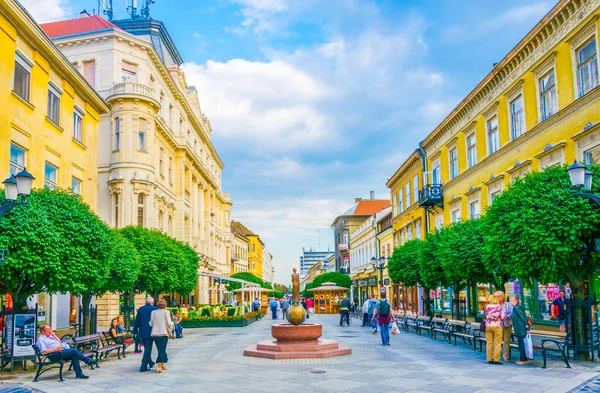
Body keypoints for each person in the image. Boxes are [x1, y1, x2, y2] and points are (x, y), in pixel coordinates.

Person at [133, 297, 157, 372]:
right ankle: (143, 365)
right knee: (148, 348)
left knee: (147, 348)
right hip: (151, 331)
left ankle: (150, 362)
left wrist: (135, 330)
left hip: (142, 332)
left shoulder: (140, 309)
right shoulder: (155, 309)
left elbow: (137, 321)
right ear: (152, 302)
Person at [150, 299, 172, 373]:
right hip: (163, 333)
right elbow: (169, 322)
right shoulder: (166, 312)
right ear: (165, 305)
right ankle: (159, 366)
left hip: (155, 333)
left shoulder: (153, 312)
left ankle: (163, 364)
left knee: (160, 349)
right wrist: (171, 328)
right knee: (162, 349)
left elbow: (151, 323)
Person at [484, 294, 505, 364]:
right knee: (497, 343)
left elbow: (485, 315)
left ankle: (489, 359)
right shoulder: (498, 307)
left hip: (488, 326)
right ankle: (496, 359)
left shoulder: (487, 307)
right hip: (497, 326)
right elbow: (502, 317)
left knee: (489, 342)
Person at [510, 295, 530, 365]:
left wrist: (527, 326)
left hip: (520, 328)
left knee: (521, 344)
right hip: (519, 328)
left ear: (516, 301)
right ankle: (523, 358)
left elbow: (523, 317)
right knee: (521, 343)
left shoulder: (516, 308)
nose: (510, 302)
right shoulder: (515, 308)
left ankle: (523, 359)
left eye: (512, 300)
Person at [498, 291, 513, 363]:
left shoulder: (507, 304)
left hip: (506, 324)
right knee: (498, 340)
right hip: (498, 325)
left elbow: (512, 312)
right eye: (496, 297)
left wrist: (506, 316)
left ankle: (505, 356)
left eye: (499, 296)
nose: (498, 298)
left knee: (506, 340)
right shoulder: (495, 305)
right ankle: (497, 354)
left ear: (503, 297)